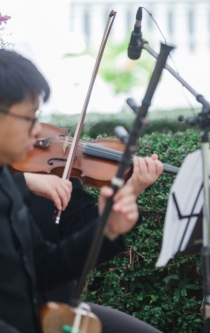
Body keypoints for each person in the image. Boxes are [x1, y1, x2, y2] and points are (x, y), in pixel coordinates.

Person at [0, 48, 151, 333]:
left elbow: (44, 267)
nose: (38, 132)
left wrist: (106, 229)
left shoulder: (6, 184)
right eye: (28, 118)